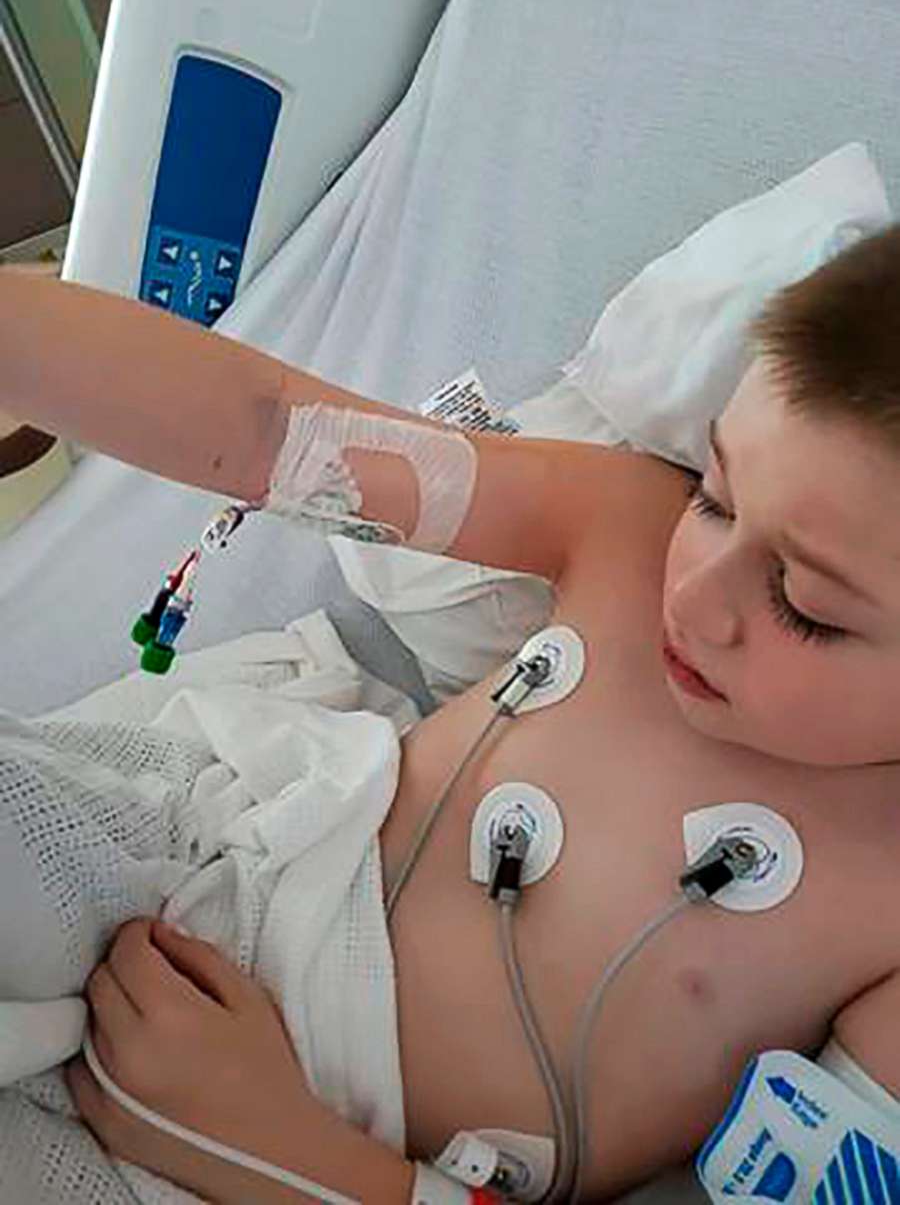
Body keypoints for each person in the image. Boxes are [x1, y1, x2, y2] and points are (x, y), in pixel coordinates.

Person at [0, 223, 899, 1204]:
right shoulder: (632, 525)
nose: (692, 602)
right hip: (194, 864)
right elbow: (273, 433)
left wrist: (297, 1164)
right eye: (720, 500)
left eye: (804, 606)